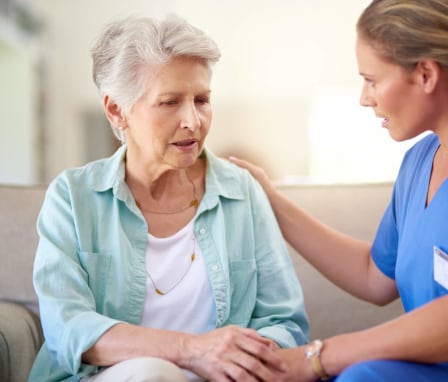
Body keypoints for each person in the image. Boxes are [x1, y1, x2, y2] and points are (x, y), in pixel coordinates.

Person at [28, 14, 309, 382]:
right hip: (109, 377)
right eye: (170, 102)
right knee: (151, 373)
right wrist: (192, 351)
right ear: (116, 110)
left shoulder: (241, 192)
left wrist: (233, 362)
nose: (192, 120)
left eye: (202, 100)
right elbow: (69, 328)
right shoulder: (73, 197)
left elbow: (284, 323)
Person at [230, 0, 448, 380]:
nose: (365, 97)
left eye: (372, 80)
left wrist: (320, 356)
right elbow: (373, 275)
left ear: (426, 74)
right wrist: (270, 200)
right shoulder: (418, 163)